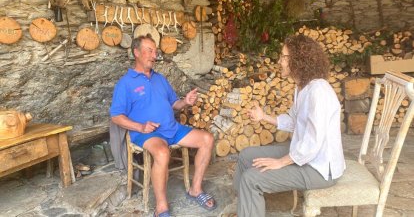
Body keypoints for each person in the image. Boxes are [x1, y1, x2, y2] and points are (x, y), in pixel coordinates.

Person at [233, 34, 346, 217]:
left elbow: (312, 144)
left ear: (298, 60)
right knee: (246, 156)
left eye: (283, 57)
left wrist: (281, 162)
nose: (280, 61)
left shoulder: (318, 92)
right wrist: (264, 117)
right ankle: (245, 209)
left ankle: (247, 207)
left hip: (320, 169)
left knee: (251, 179)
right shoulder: (302, 87)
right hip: (307, 156)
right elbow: (294, 121)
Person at [110, 35, 216, 217]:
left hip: (172, 129)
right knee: (162, 152)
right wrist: (141, 127)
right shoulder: (125, 83)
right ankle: (161, 207)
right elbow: (116, 116)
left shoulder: (160, 79)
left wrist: (186, 102)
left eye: (155, 51)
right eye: (149, 50)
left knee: (207, 139)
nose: (154, 55)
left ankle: (195, 189)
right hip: (147, 134)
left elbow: (175, 103)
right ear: (136, 52)